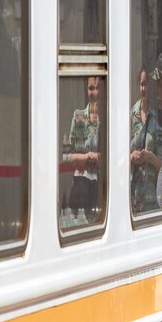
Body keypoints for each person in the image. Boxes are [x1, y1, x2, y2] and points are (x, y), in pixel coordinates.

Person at [62, 76, 102, 227]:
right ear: (87, 89)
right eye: (91, 88)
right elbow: (67, 156)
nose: (94, 92)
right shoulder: (78, 117)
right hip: (81, 188)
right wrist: (87, 157)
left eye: (98, 88)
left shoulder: (108, 118)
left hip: (101, 191)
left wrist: (99, 157)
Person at [130, 62, 162, 213]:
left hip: (155, 199)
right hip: (133, 198)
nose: (144, 89)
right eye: (142, 84)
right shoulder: (131, 114)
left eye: (147, 85)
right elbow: (119, 159)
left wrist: (150, 158)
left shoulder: (161, 115)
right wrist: (132, 157)